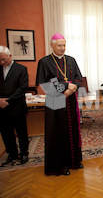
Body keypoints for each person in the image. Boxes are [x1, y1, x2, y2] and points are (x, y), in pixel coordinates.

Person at [36, 33, 83, 176]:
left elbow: (78, 78)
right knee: (58, 131)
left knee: (72, 129)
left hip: (71, 100)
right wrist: (67, 86)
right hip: (55, 100)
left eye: (64, 45)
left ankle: (74, 161)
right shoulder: (44, 62)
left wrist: (72, 88)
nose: (62, 48)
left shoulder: (71, 60)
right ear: (52, 45)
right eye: (59, 45)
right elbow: (45, 84)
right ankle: (60, 165)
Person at [0, 46, 29, 166]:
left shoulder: (21, 69)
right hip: (1, 108)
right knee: (6, 133)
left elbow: (22, 88)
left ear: (10, 56)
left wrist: (8, 100)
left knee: (21, 132)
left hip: (17, 106)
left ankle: (24, 153)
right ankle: (12, 154)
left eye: (3, 59)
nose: (1, 62)